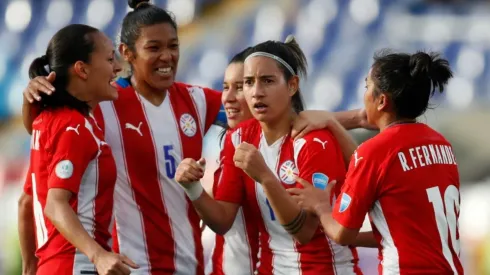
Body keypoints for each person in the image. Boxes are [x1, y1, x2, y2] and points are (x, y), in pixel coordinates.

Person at [21, 2, 371, 275]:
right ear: (127, 54)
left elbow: (271, 117)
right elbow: (47, 134)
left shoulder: (197, 101)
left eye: (173, 46)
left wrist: (346, 118)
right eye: (153, 48)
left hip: (190, 264)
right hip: (129, 264)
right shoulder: (105, 102)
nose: (167, 57)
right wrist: (31, 97)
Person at [176, 37, 362, 275]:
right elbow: (222, 220)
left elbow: (304, 232)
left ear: (292, 86)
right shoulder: (238, 138)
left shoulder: (314, 142)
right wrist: (193, 189)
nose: (256, 92)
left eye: (267, 81)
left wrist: (264, 176)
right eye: (249, 83)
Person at [289, 50, 464, 274]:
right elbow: (404, 231)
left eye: (367, 86)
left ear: (382, 101)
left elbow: (342, 233)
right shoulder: (442, 145)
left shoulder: (375, 152)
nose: (364, 94)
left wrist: (321, 207)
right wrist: (332, 124)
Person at [17, 24, 139, 275]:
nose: (117, 67)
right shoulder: (75, 127)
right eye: (109, 59)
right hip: (76, 265)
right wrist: (98, 256)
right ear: (82, 69)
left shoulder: (47, 121)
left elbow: (26, 202)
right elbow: (55, 205)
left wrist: (30, 268)